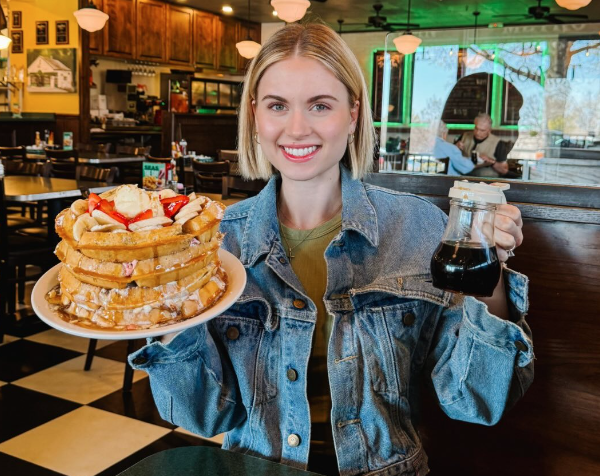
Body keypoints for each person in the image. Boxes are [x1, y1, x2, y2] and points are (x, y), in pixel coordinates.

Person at [129, 23, 533, 476]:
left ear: (353, 114)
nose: (296, 129)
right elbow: (200, 414)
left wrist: (489, 267)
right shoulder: (215, 245)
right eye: (278, 105)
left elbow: (478, 398)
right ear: (255, 114)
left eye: (320, 105)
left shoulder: (419, 228)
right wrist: (165, 291)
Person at [456, 113, 509, 177]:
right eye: (476, 128)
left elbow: (504, 170)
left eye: (482, 130)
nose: (478, 132)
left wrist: (491, 162)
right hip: (462, 174)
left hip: (484, 178)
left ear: (489, 130)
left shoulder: (498, 143)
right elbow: (451, 157)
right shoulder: (464, 136)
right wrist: (455, 148)